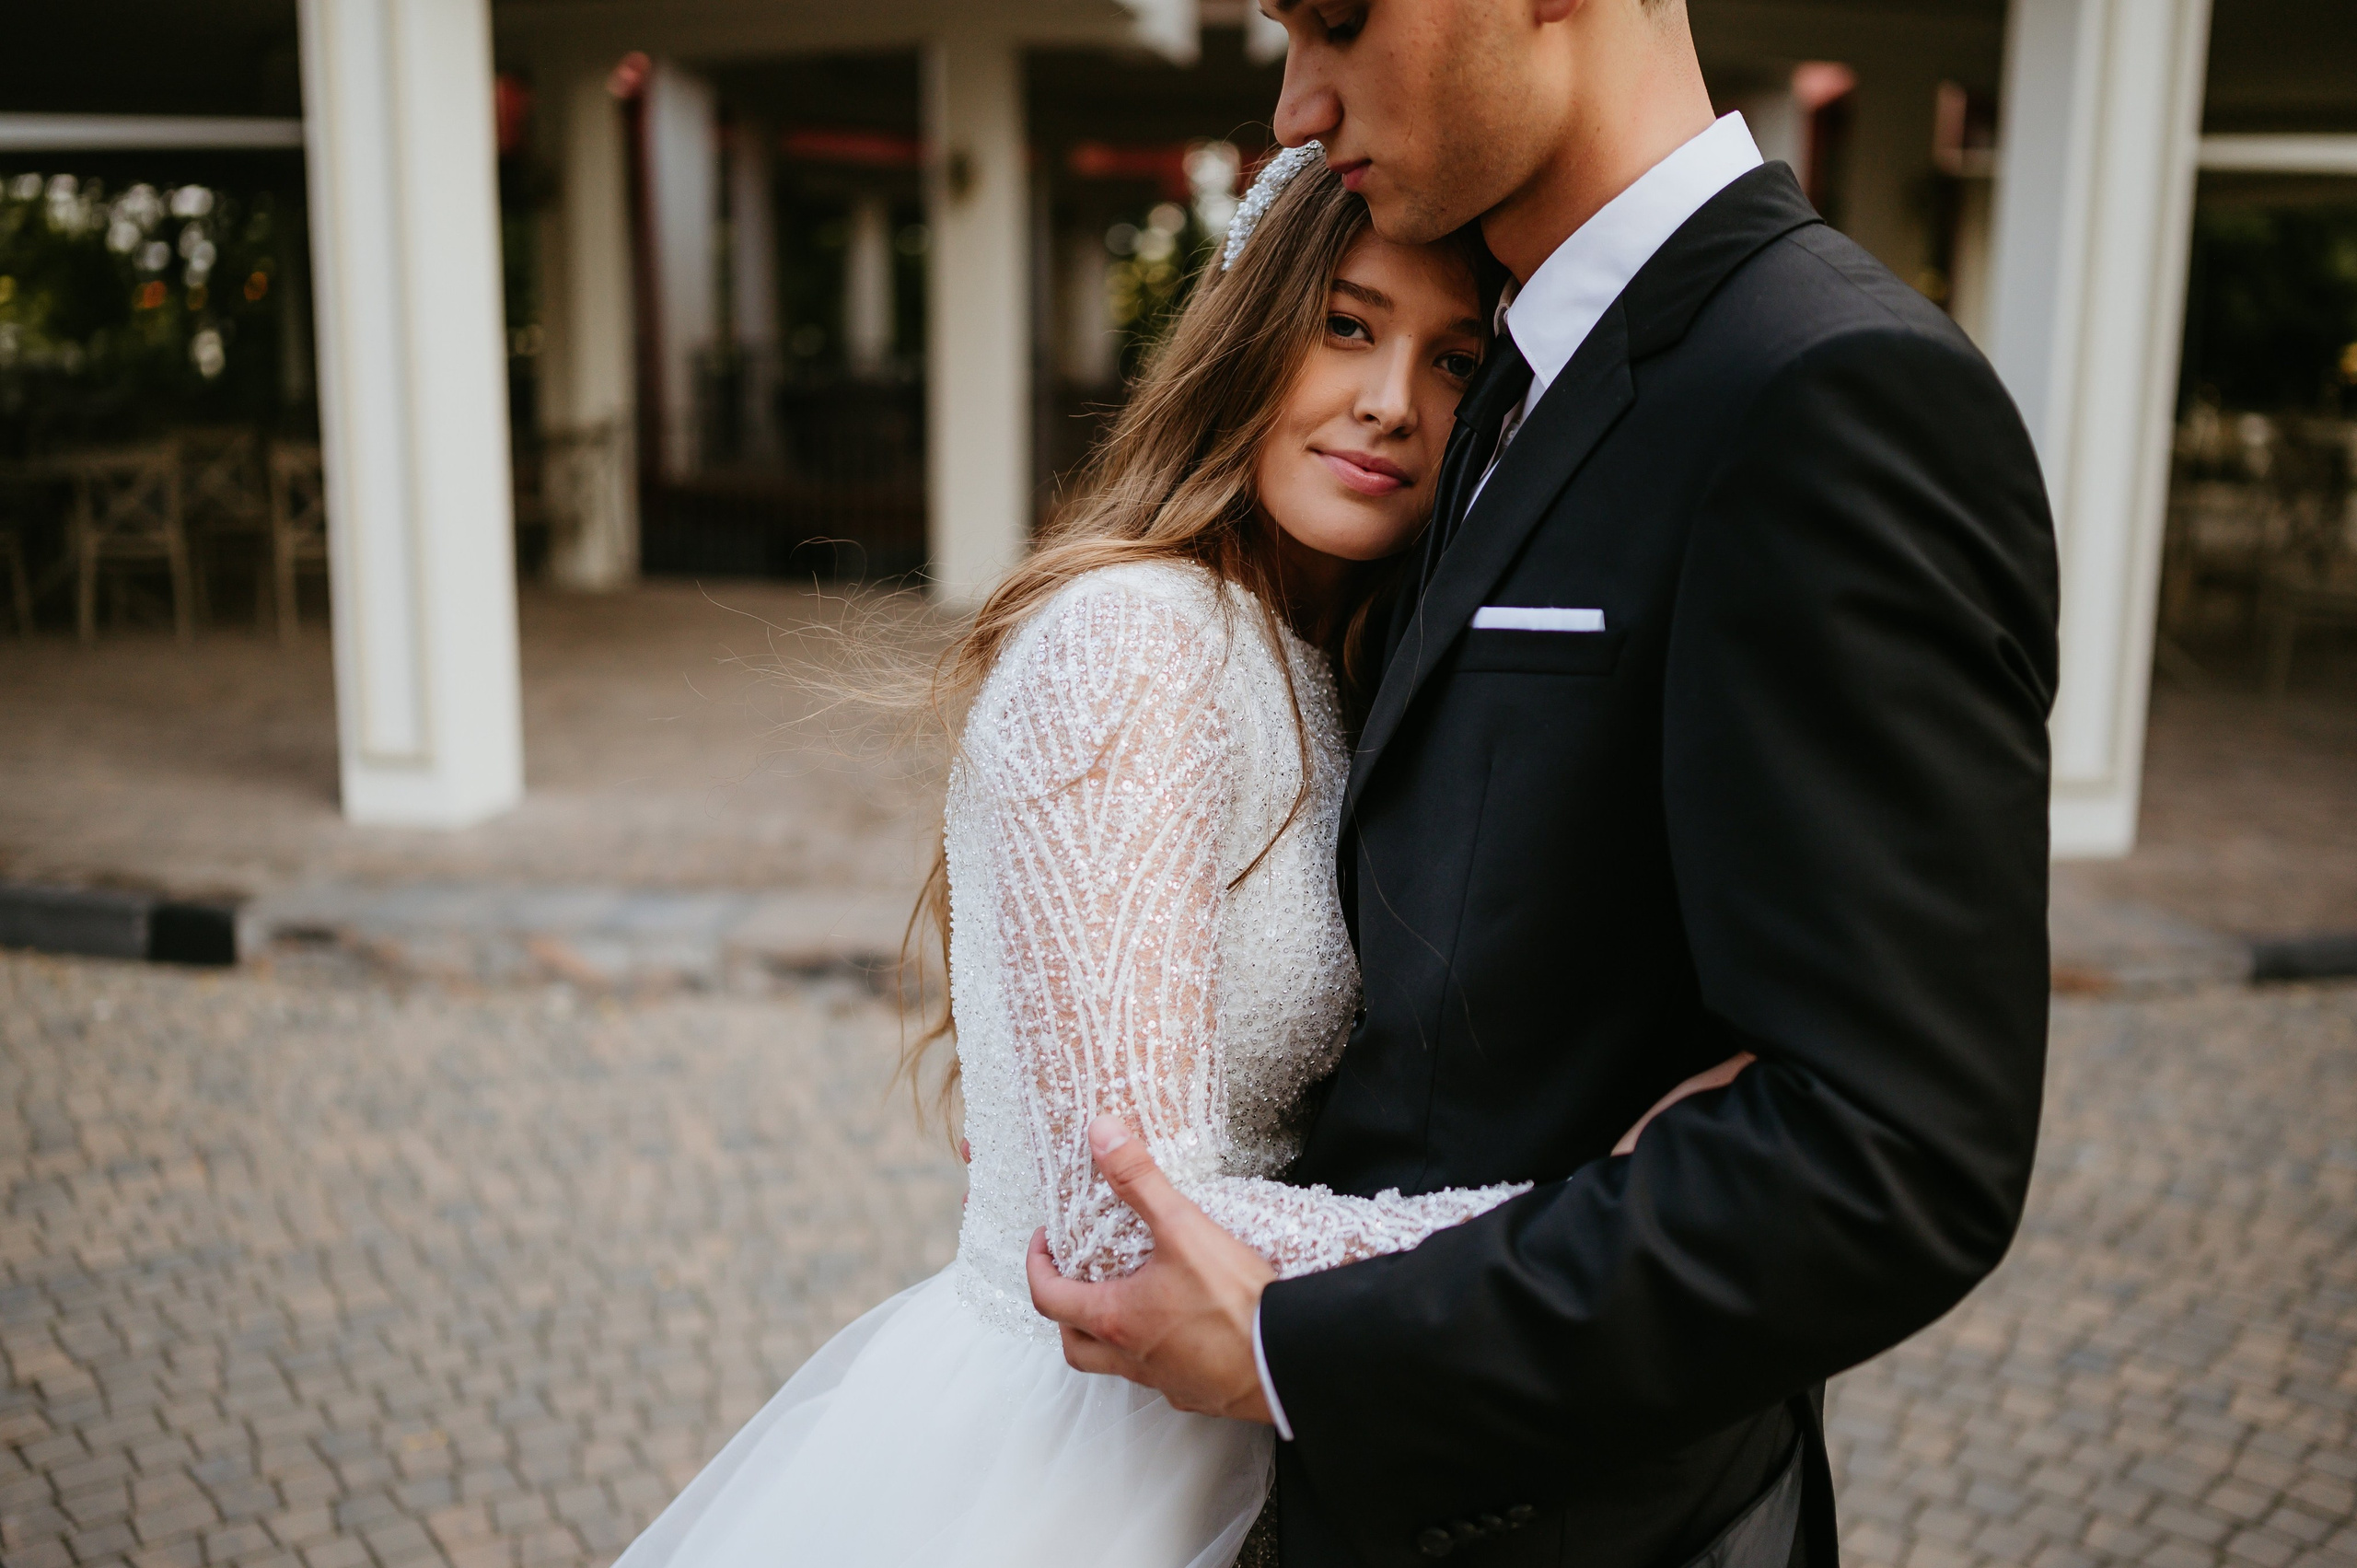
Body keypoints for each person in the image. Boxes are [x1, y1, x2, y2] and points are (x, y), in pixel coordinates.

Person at [1025, 2, 2061, 1565]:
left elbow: (1894, 1160)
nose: (1299, 102)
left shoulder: (1827, 391)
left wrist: (1313, 1340)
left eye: (1337, 18)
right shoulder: (1506, 376)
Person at [607, 149, 1662, 1568]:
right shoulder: (1139, 644)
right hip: (1075, 1459)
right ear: (1249, 335)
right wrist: (1592, 1219)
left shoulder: (1328, 660)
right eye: (1345, 326)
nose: (1392, 404)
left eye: (1457, 361)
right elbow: (1119, 1236)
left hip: (1252, 1425)